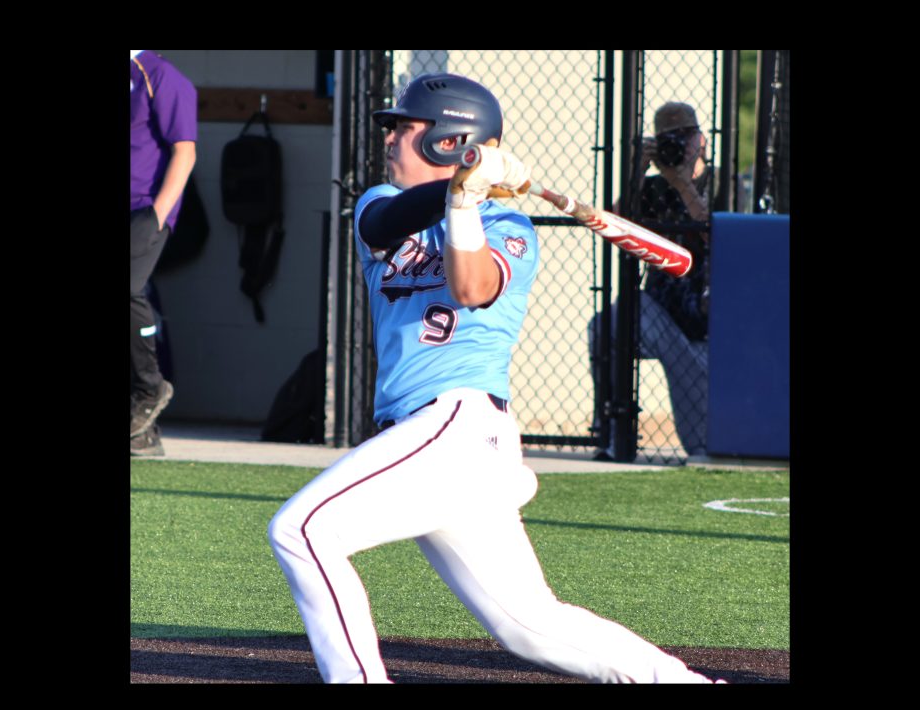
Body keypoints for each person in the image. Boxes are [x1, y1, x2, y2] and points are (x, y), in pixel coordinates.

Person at [267, 74, 721, 684]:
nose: (390, 139)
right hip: (427, 438)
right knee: (529, 625)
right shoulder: (381, 201)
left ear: (449, 139)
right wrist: (462, 184)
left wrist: (465, 200)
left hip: (457, 425)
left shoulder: (511, 229)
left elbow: (471, 287)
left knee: (302, 530)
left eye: (405, 127)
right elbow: (382, 226)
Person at [590, 102, 711, 458]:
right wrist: (637, 172)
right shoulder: (651, 187)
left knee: (702, 443)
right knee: (604, 325)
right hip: (660, 314)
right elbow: (612, 226)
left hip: (710, 316)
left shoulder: (723, 180)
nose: (678, 145)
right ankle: (612, 433)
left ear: (701, 139)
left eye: (684, 136)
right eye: (668, 139)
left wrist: (682, 184)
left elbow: (716, 235)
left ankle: (704, 443)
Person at [130, 50, 198, 457]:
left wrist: (157, 215)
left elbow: (184, 151)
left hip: (144, 209)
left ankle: (149, 387)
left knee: (129, 288)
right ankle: (143, 435)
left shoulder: (161, 76)